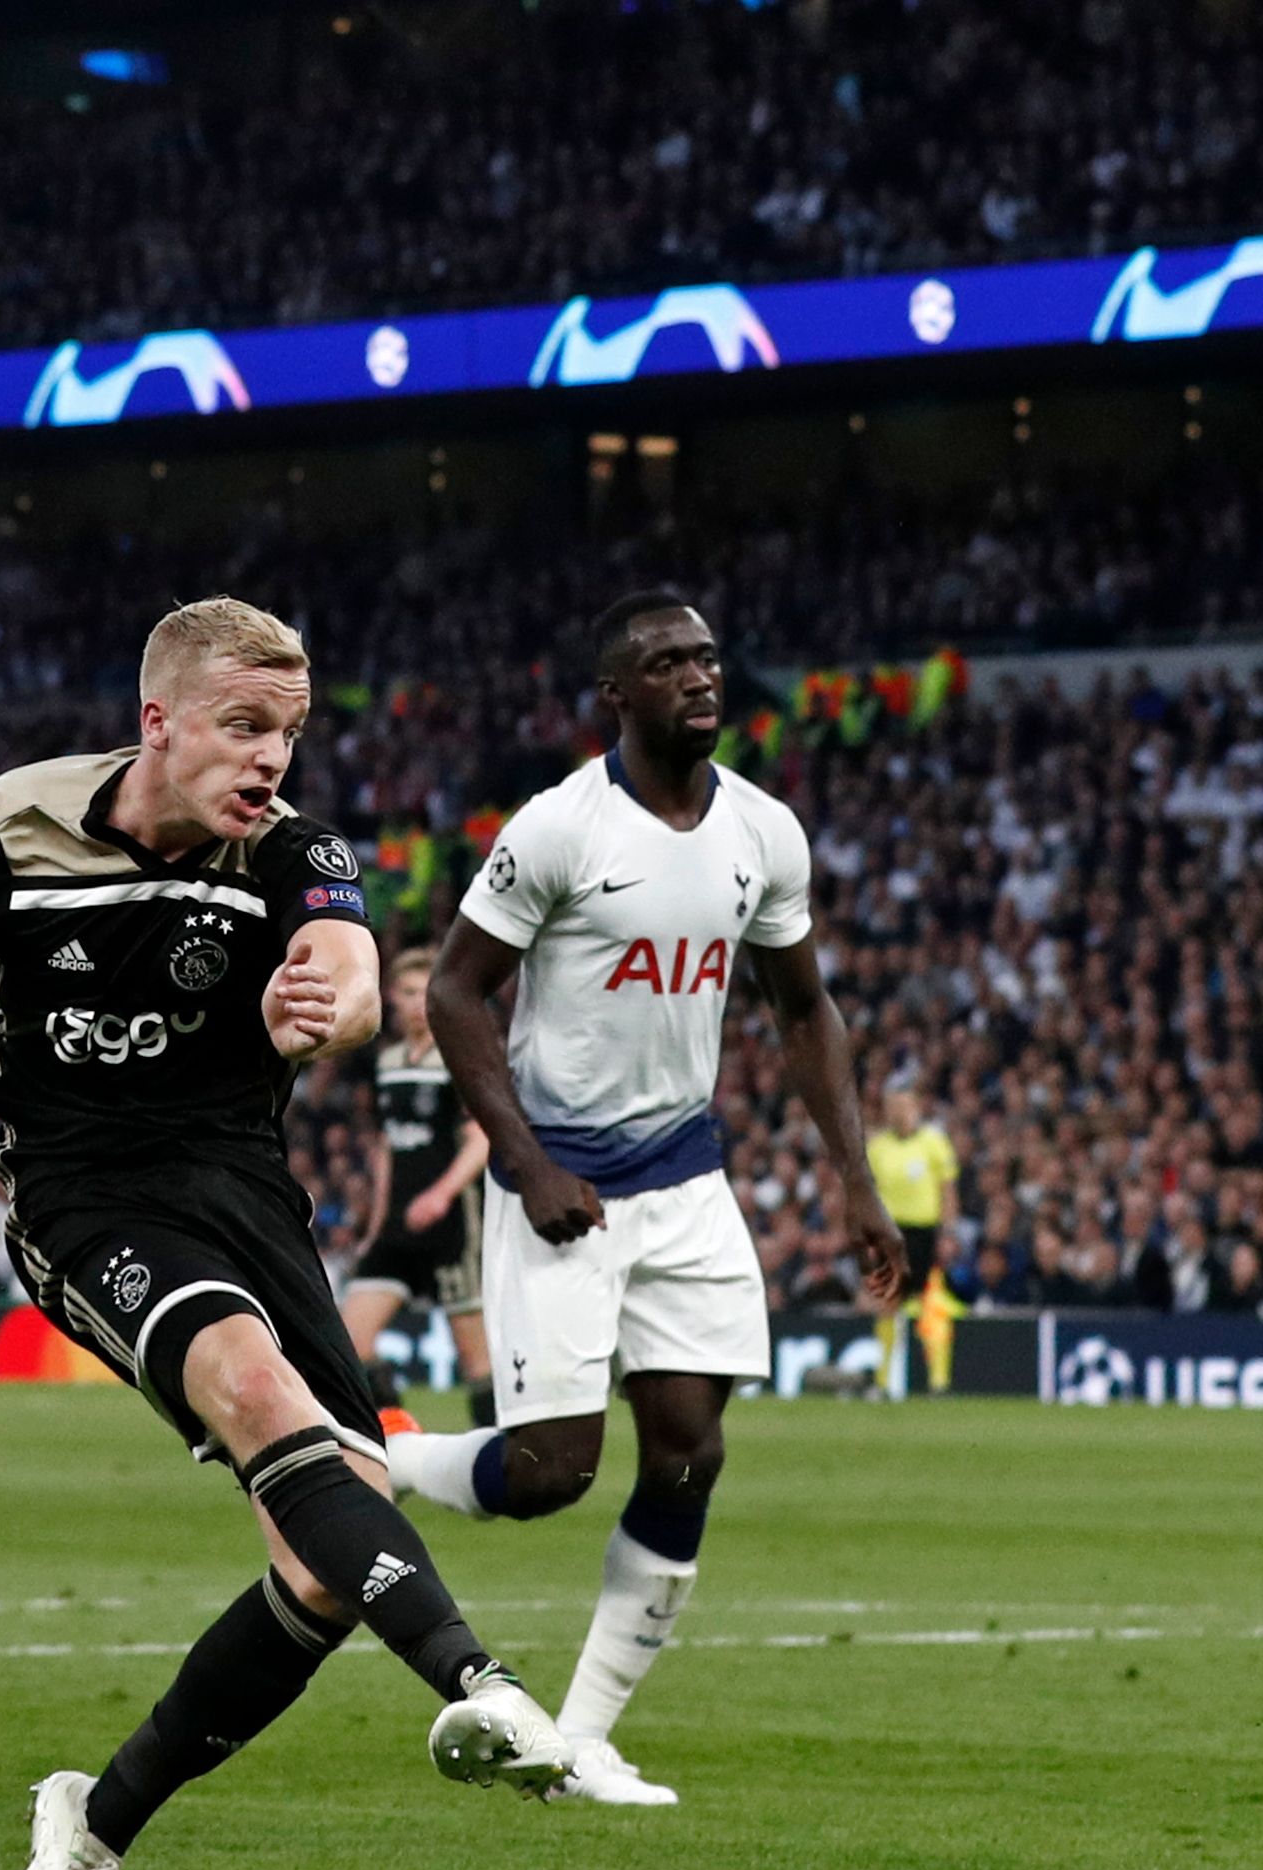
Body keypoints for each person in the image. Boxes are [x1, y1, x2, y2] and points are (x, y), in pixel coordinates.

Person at [0, 597, 567, 1870]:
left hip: (244, 1193)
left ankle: (92, 1824)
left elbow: (343, 970)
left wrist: (325, 1008)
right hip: (82, 1194)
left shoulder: (293, 851)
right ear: (157, 721)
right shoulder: (12, 826)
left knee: (327, 1554)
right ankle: (483, 1681)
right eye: (243, 728)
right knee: (247, 1384)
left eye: (287, 732)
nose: (271, 759)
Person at [385, 588, 905, 1807]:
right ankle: (395, 1461)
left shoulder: (764, 831)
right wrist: (523, 1159)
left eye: (710, 657)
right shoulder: (561, 828)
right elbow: (456, 994)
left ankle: (582, 1736)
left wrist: (857, 1178)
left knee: (690, 1450)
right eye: (667, 663)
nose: (698, 677)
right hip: (563, 1180)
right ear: (615, 694)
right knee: (554, 1469)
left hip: (686, 1175)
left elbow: (802, 1006)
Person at [339, 948, 496, 1425]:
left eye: (424, 993)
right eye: (407, 992)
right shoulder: (387, 1061)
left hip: (452, 1226)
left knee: (477, 1360)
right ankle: (395, 1438)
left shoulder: (457, 1057)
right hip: (397, 1227)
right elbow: (389, 1146)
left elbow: (481, 1138)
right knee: (349, 1341)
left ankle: (501, 1465)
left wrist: (441, 1194)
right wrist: (376, 1220)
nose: (415, 1003)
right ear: (390, 996)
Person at [863, 1085, 958, 1392]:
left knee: (930, 1305)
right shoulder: (878, 1147)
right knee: (888, 1303)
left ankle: (938, 1380)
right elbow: (868, 1193)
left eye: (903, 1106)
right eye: (892, 1106)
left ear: (916, 1108)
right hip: (890, 1235)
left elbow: (947, 1191)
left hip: (924, 1233)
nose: (897, 1113)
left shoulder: (933, 1142)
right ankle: (882, 1381)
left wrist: (948, 1232)